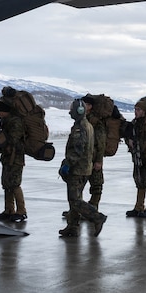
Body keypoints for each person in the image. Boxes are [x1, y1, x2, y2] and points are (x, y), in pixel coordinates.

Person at [59, 98, 107, 237]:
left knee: (75, 199)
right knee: (74, 198)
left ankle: (97, 217)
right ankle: (72, 226)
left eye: (71, 110)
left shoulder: (80, 127)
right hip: (85, 168)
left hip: (78, 169)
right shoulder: (88, 125)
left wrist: (67, 164)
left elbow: (77, 149)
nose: (70, 112)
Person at [0, 99, 27, 222]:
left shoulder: (16, 122)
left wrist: (2, 140)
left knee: (15, 184)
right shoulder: (5, 121)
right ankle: (9, 210)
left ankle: (21, 211)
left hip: (16, 157)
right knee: (6, 184)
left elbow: (13, 139)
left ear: (4, 111)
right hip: (7, 157)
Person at [83, 94, 107, 209]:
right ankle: (77, 209)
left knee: (96, 184)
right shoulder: (81, 119)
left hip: (93, 157)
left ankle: (93, 206)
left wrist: (99, 160)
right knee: (78, 184)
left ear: (90, 106)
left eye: (85, 104)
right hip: (82, 158)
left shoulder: (96, 122)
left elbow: (101, 142)